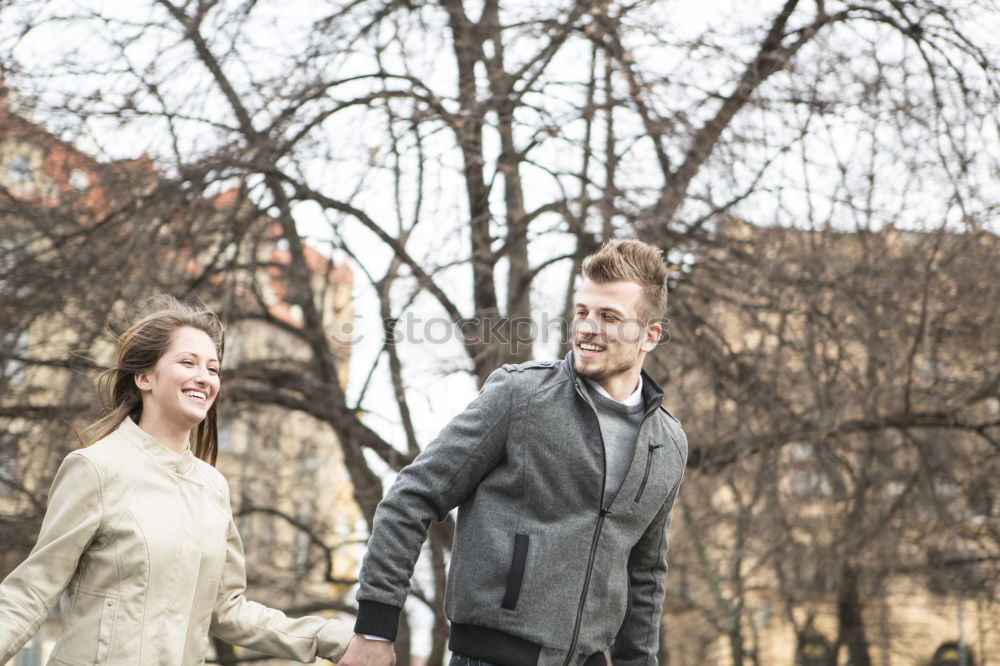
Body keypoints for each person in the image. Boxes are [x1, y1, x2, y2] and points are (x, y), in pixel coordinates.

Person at [343, 240, 688, 666]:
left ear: (649, 336)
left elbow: (645, 574)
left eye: (609, 317)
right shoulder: (520, 397)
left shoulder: (668, 443)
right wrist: (375, 627)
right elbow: (411, 496)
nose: (587, 328)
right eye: (582, 312)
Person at [0, 295, 352, 665]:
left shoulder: (213, 487)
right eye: (188, 362)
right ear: (144, 377)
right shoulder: (95, 468)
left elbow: (227, 610)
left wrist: (333, 639)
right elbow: (33, 590)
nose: (205, 377)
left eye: (213, 369)